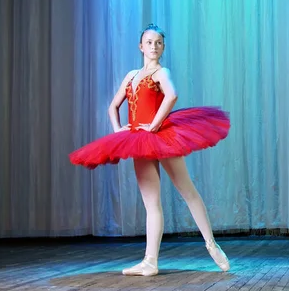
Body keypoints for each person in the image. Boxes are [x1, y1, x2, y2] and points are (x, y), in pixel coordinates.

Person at [69, 23, 231, 277]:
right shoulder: (131, 75)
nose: (153, 46)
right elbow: (113, 106)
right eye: (149, 42)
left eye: (158, 43)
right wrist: (119, 131)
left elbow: (172, 95)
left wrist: (154, 126)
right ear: (140, 46)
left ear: (163, 47)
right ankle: (150, 261)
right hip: (139, 140)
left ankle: (212, 245)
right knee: (151, 203)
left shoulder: (161, 72)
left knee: (187, 191)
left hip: (163, 136)